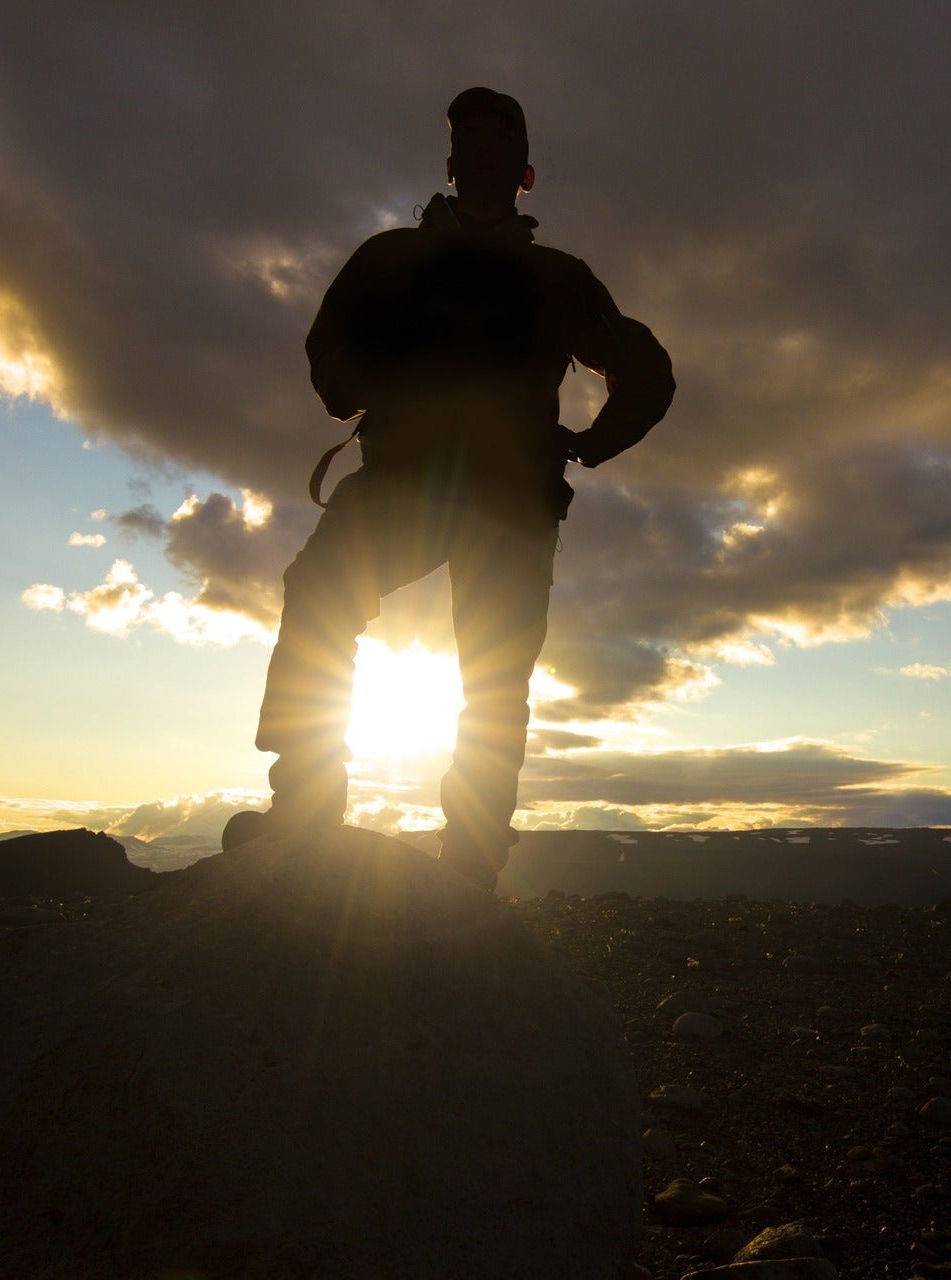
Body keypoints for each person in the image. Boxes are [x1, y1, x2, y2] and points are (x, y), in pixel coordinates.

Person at [223, 88, 673, 890]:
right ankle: (304, 803)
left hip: (512, 499)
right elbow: (329, 357)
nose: (484, 152)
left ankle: (470, 854)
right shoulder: (389, 259)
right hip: (406, 481)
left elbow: (645, 372)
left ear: (525, 171)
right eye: (471, 140)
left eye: (501, 142)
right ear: (450, 164)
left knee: (495, 678)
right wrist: (367, 380)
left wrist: (592, 444)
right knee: (321, 591)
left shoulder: (556, 278)